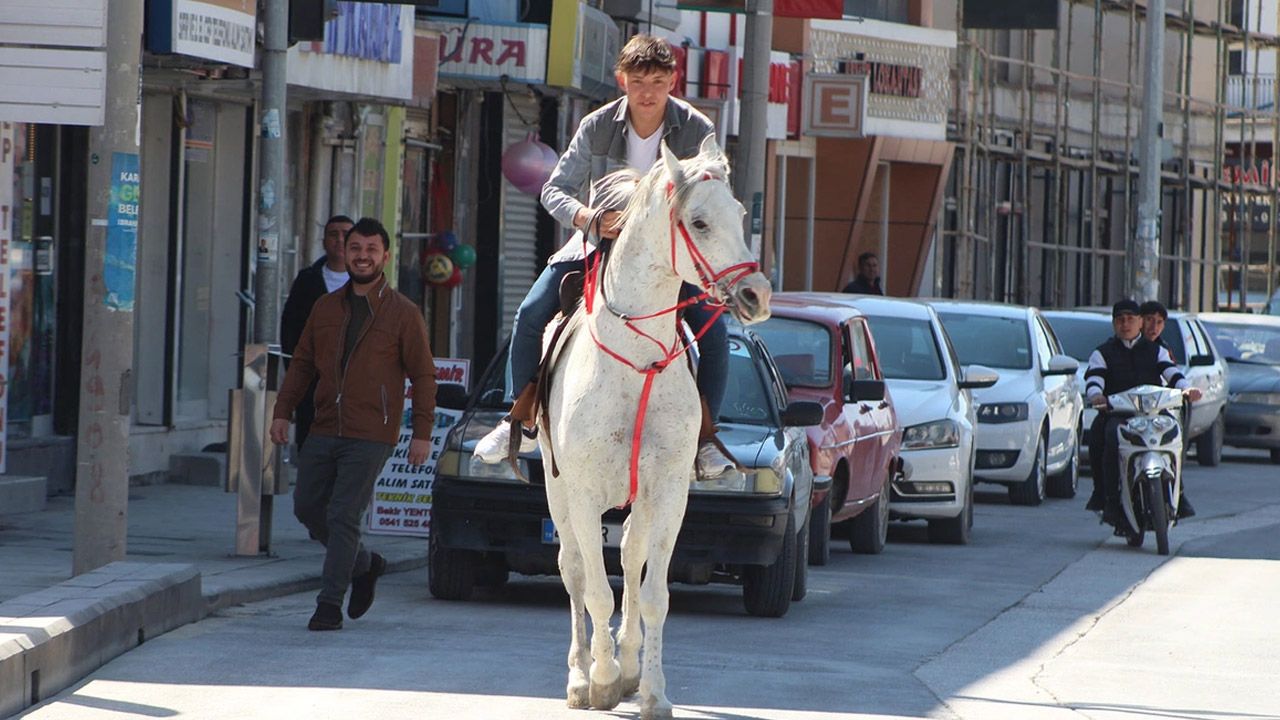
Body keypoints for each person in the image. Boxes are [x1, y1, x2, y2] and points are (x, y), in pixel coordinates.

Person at [472, 33, 735, 478]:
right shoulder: (596, 124)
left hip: (670, 253)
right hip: (598, 242)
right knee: (530, 314)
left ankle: (706, 438)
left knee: (715, 334)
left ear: (673, 79)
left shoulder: (697, 129)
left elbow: (711, 195)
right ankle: (518, 418)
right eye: (637, 81)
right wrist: (589, 218)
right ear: (621, 81)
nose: (647, 92)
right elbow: (554, 189)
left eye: (656, 80)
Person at [270, 218, 437, 631]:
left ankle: (328, 604)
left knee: (344, 515)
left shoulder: (403, 313)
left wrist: (422, 434)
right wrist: (282, 410)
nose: (363, 256)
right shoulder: (325, 308)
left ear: (386, 256)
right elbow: (303, 364)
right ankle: (365, 564)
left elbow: (424, 375)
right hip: (324, 425)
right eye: (355, 248)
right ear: (344, 252)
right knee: (308, 506)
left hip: (371, 431)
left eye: (371, 249)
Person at [1083, 300, 1200, 528]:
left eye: (1130, 319)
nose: (1125, 324)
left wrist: (1185, 389)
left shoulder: (1157, 350)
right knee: (1106, 436)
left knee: (1173, 434)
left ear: (1139, 322)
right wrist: (1097, 395)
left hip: (1152, 414)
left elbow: (1172, 373)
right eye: (1120, 320)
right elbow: (1094, 379)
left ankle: (1179, 494)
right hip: (1119, 415)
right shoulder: (1102, 352)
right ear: (1114, 324)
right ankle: (1109, 500)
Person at [280, 215, 354, 449]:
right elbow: (290, 329)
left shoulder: (370, 282)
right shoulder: (307, 280)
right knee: (311, 445)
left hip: (356, 384)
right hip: (313, 382)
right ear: (324, 241)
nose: (339, 240)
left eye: (346, 235)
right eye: (333, 234)